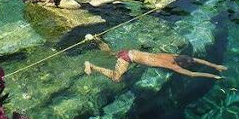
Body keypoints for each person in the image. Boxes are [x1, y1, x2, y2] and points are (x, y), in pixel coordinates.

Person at [84, 36, 226, 82]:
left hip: (130, 52)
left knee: (111, 54)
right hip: (128, 59)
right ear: (182, 64)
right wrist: (213, 75)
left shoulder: (174, 56)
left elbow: (196, 60)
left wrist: (215, 65)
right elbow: (193, 74)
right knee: (117, 78)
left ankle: (97, 40)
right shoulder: (174, 66)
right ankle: (92, 65)